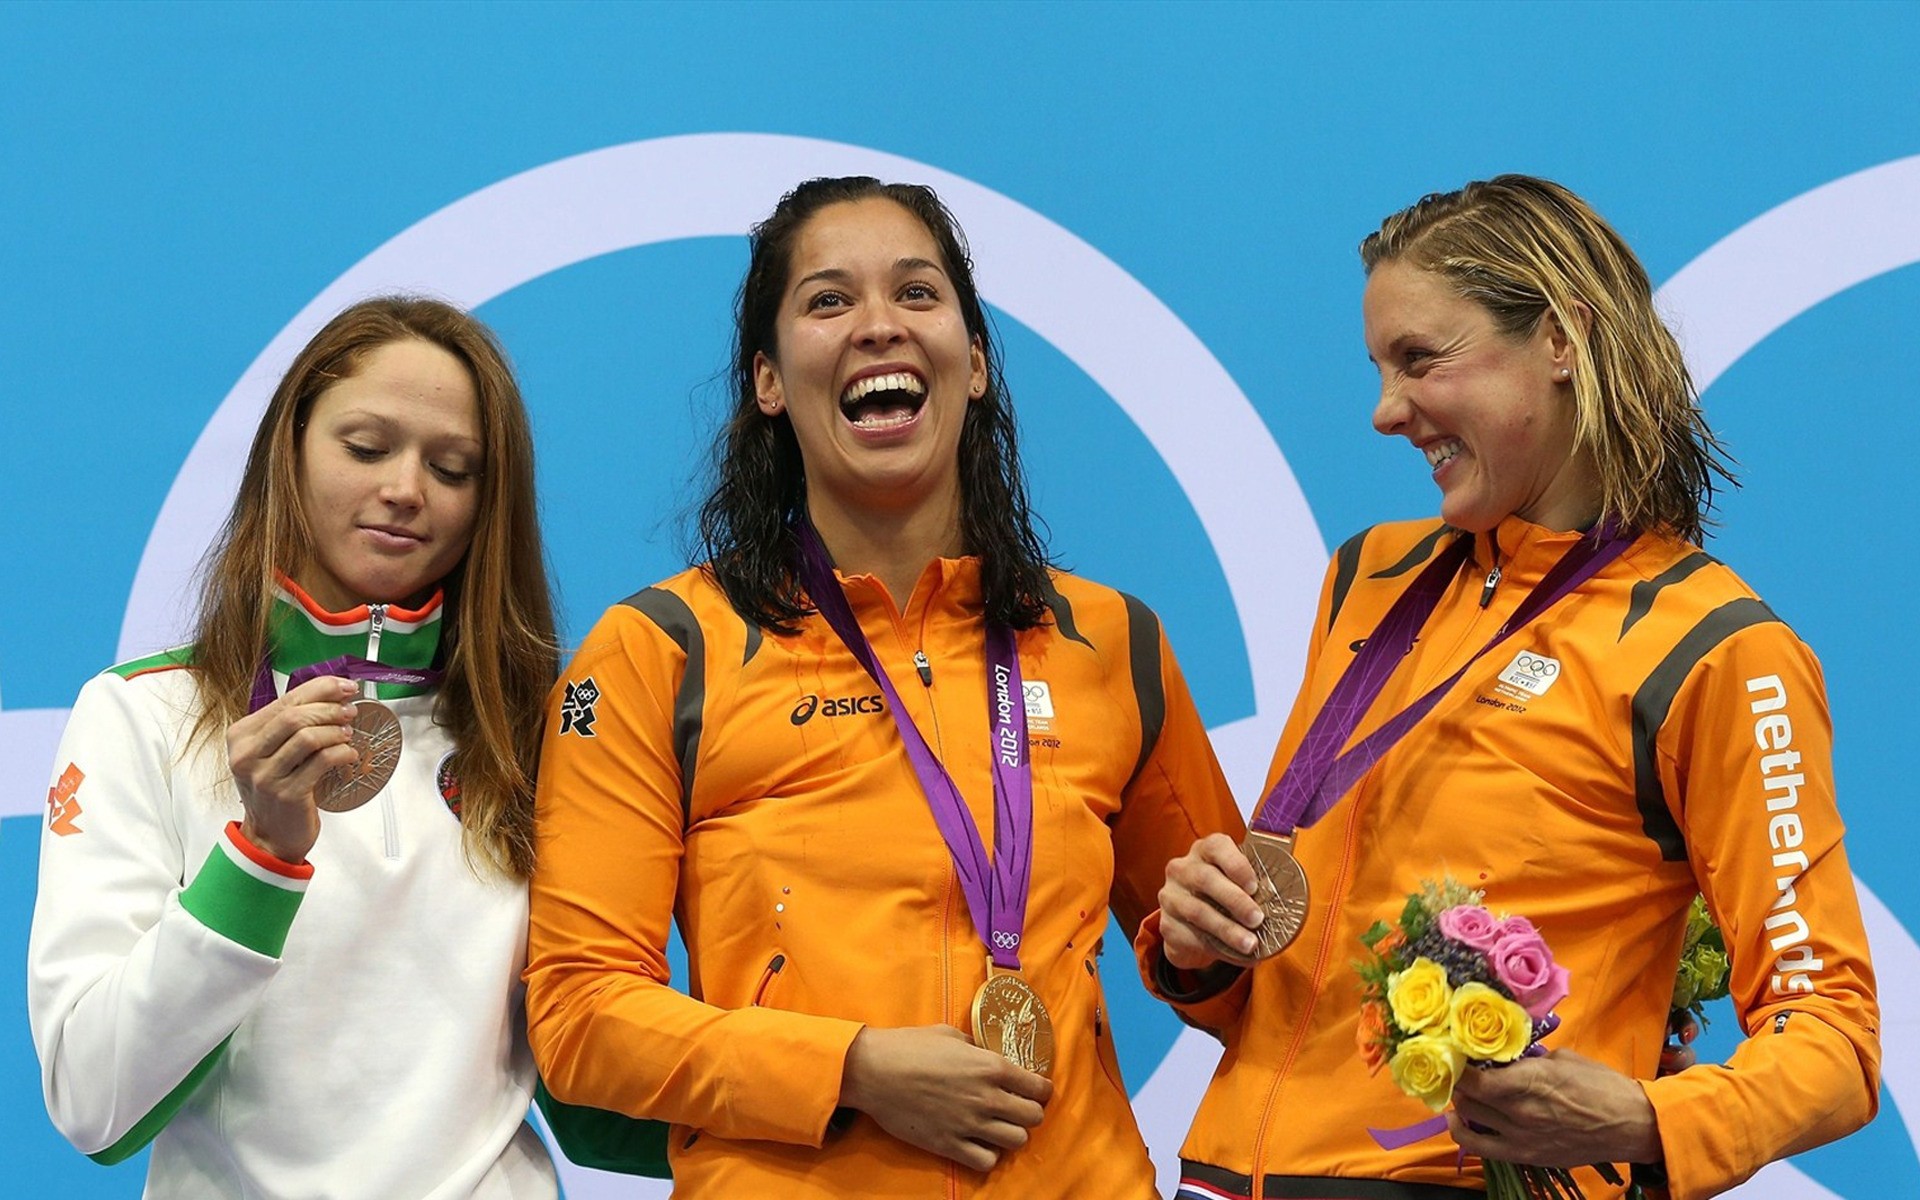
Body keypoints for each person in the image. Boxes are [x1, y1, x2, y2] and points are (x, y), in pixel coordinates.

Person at [1142, 175, 1880, 1200]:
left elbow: (1834, 1039)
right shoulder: (1371, 576)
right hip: (1226, 1175)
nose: (1386, 412)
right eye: (1378, 367)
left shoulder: (1712, 648)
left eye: (1420, 360)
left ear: (1564, 341)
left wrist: (1646, 1119)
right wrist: (1202, 949)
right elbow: (1295, 1003)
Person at [524, 175, 1244, 1198]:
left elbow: (1235, 991)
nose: (877, 327)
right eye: (828, 301)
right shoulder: (661, 648)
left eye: (917, 294)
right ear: (769, 382)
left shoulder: (1110, 640)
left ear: (978, 362)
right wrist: (849, 1071)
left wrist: (1211, 949)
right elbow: (579, 1017)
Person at [28, 297, 564, 1197]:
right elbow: (94, 1099)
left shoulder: (535, 734)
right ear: (291, 448)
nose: (406, 488)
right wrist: (262, 859)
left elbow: (601, 1088)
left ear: (488, 502)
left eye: (454, 467)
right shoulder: (141, 715)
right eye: (365, 447)